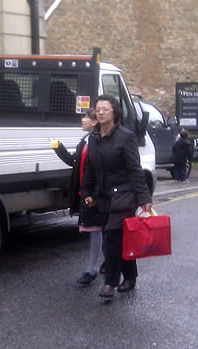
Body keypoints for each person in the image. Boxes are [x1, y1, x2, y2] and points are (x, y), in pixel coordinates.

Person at [81, 95, 152, 299]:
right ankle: (130, 276)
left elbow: (135, 170)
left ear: (114, 112)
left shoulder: (126, 137)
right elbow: (90, 169)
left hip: (125, 195)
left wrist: (143, 199)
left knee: (112, 237)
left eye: (105, 109)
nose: (101, 112)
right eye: (98, 109)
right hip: (103, 198)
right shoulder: (93, 139)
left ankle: (109, 283)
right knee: (120, 240)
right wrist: (87, 192)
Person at [52, 109, 104, 285]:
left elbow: (101, 172)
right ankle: (107, 263)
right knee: (97, 229)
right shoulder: (86, 140)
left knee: (95, 230)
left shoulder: (99, 141)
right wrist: (57, 147)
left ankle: (91, 270)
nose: (82, 120)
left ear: (94, 122)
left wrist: (95, 194)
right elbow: (73, 161)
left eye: (85, 117)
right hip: (85, 193)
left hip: (95, 195)